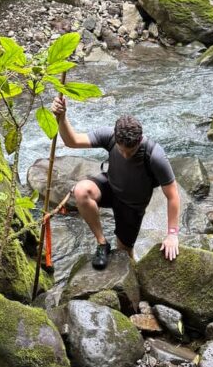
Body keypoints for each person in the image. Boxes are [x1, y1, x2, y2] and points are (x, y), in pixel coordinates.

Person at [51, 94, 180, 269]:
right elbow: (72, 141)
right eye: (122, 150)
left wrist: (172, 234)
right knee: (81, 191)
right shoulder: (109, 136)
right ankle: (102, 243)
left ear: (139, 140)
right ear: (116, 138)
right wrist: (62, 117)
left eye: (131, 151)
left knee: (124, 255)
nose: (126, 155)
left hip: (132, 206)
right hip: (110, 187)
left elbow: (172, 195)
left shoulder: (155, 155)